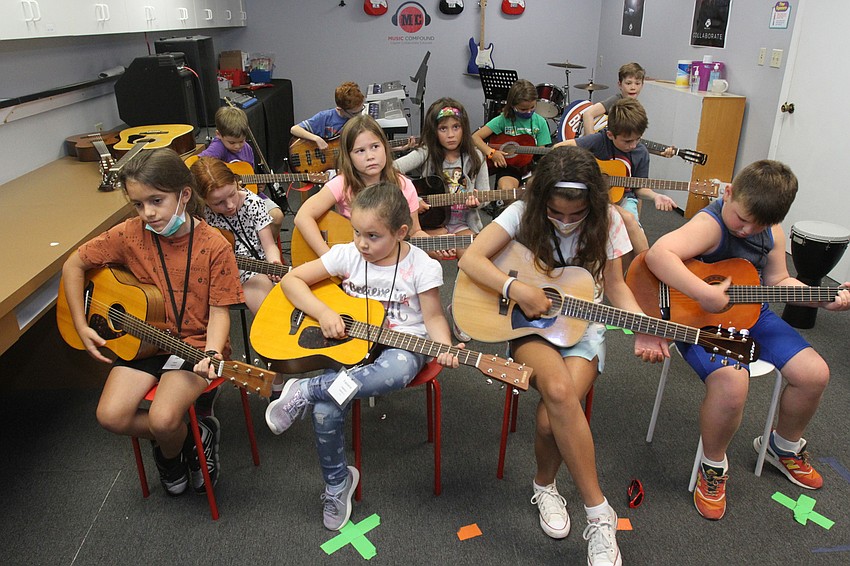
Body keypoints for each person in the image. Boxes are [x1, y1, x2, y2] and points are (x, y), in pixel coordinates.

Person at [457, 145, 668, 566]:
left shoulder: (609, 220)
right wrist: (516, 289)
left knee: (551, 415)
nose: (567, 222)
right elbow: (470, 258)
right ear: (542, 202)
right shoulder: (521, 212)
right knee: (556, 388)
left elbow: (616, 284)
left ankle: (544, 486)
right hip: (528, 327)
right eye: (557, 213)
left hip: (582, 328)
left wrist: (645, 325)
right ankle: (599, 513)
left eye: (576, 215)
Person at [644, 160, 850, 521]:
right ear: (728, 194)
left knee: (814, 373)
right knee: (732, 383)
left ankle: (782, 447)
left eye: (760, 224)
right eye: (742, 218)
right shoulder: (711, 225)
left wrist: (821, 298)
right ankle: (713, 465)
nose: (748, 229)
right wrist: (702, 294)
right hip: (701, 321)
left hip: (753, 314)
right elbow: (658, 254)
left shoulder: (771, 232)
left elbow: (777, 282)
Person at [267, 182, 462, 531]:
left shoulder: (423, 266)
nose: (361, 243)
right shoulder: (348, 254)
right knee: (327, 409)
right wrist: (324, 312)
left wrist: (444, 345)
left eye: (373, 236)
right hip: (354, 343)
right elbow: (292, 282)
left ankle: (306, 390)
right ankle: (337, 483)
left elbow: (432, 317)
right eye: (357, 232)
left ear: (401, 232)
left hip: (403, 343)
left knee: (395, 372)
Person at [60, 148, 244, 497]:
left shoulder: (215, 246)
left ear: (184, 195)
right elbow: (74, 264)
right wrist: (82, 325)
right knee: (110, 416)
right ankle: (191, 436)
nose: (148, 213)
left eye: (156, 201)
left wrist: (212, 351)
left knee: (162, 418)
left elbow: (220, 311)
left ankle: (169, 453)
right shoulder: (130, 233)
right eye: (138, 204)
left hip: (193, 346)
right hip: (144, 343)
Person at [396, 97, 489, 341]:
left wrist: (478, 200)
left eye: (456, 127)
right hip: (432, 224)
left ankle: (458, 310)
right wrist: (412, 197)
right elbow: (391, 169)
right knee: (414, 253)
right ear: (434, 131)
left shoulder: (476, 155)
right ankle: (416, 314)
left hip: (463, 224)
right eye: (443, 128)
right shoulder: (426, 153)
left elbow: (487, 195)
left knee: (473, 256)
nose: (450, 135)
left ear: (464, 128)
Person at [557, 98, 676, 265]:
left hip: (625, 198)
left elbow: (639, 188)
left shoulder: (641, 152)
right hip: (595, 197)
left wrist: (655, 196)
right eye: (627, 141)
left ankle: (639, 272)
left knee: (630, 224)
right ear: (610, 135)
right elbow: (560, 148)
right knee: (614, 223)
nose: (633, 145)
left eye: (637, 139)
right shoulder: (599, 140)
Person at [294, 114, 431, 260]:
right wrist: (329, 258)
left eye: (375, 147)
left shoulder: (403, 185)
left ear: (385, 147)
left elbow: (415, 231)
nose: (370, 156)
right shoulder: (342, 183)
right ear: (349, 157)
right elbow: (303, 217)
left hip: (389, 261)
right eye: (360, 151)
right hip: (351, 263)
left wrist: (435, 245)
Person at [199, 105, 284, 238]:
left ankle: (263, 247)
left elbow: (248, 176)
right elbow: (196, 164)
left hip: (245, 196)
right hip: (226, 199)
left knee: (277, 216)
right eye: (232, 142)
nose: (238, 146)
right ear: (218, 135)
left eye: (241, 141)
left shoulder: (247, 149)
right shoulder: (218, 146)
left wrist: (258, 187)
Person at [578, 62, 675, 158]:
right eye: (628, 83)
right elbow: (588, 113)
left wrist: (660, 152)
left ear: (642, 85)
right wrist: (592, 142)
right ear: (620, 85)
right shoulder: (616, 100)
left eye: (637, 83)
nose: (633, 87)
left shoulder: (636, 108)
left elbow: (633, 141)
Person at [472, 79, 552, 192]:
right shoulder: (502, 120)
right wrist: (491, 153)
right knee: (507, 191)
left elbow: (541, 153)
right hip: (509, 167)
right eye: (523, 109)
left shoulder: (540, 122)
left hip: (531, 167)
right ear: (513, 106)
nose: (529, 112)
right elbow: (475, 137)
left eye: (532, 107)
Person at [289, 81, 366, 150]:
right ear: (340, 109)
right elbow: (294, 129)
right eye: (354, 113)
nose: (358, 115)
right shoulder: (325, 117)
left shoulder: (359, 121)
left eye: (361, 109)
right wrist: (317, 139)